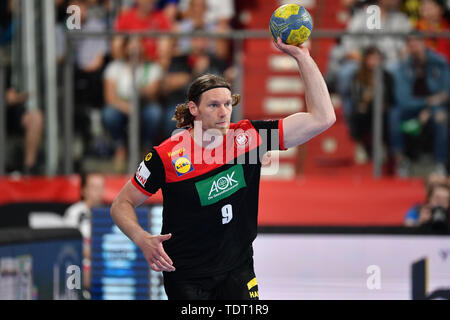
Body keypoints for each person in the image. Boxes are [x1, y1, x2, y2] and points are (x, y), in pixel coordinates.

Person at [110, 37, 336, 300]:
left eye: (228, 104)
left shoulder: (249, 137)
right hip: (186, 276)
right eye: (214, 105)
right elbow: (121, 204)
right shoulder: (167, 155)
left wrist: (303, 58)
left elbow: (323, 118)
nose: (224, 111)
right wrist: (142, 239)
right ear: (194, 109)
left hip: (238, 271)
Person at [389, 32, 449, 177]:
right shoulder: (402, 68)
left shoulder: (439, 63)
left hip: (436, 109)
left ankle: (440, 164)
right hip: (412, 109)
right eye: (410, 44)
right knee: (394, 114)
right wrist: (428, 103)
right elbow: (403, 99)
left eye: (416, 43)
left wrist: (431, 109)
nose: (414, 47)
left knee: (441, 118)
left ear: (424, 43)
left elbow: (446, 93)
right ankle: (401, 161)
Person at [102, 36, 163, 172]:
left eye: (138, 44)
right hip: (121, 106)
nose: (134, 48)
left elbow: (153, 93)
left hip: (144, 106)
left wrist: (141, 89)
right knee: (109, 114)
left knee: (155, 112)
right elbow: (110, 97)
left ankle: (146, 149)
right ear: (125, 48)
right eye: (131, 45)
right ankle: (119, 147)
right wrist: (127, 108)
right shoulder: (115, 68)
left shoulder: (151, 68)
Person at [348, 46, 394, 162]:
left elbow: (391, 98)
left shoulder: (387, 76)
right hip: (364, 109)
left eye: (377, 59)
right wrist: (366, 98)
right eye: (371, 59)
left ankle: (384, 147)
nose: (374, 62)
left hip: (383, 109)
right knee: (357, 115)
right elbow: (356, 97)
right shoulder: (357, 76)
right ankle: (362, 145)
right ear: (366, 60)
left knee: (387, 116)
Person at [64, 172, 105, 298]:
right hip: (78, 266)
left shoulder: (109, 214)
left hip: (102, 265)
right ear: (84, 190)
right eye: (94, 187)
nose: (98, 192)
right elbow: (67, 246)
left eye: (101, 187)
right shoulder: (74, 213)